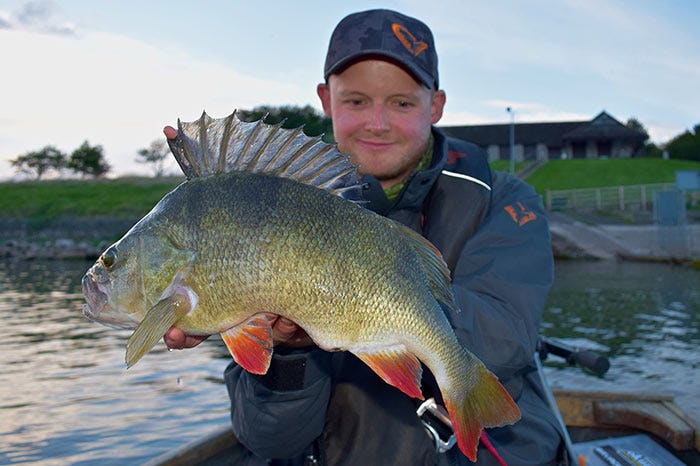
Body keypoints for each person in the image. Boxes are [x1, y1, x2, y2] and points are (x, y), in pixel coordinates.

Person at [165, 8, 565, 465]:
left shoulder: (502, 200)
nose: (377, 122)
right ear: (326, 99)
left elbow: (506, 337)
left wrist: (367, 298)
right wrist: (289, 351)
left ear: (435, 105)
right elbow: (269, 441)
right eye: (355, 101)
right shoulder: (272, 204)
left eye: (401, 102)